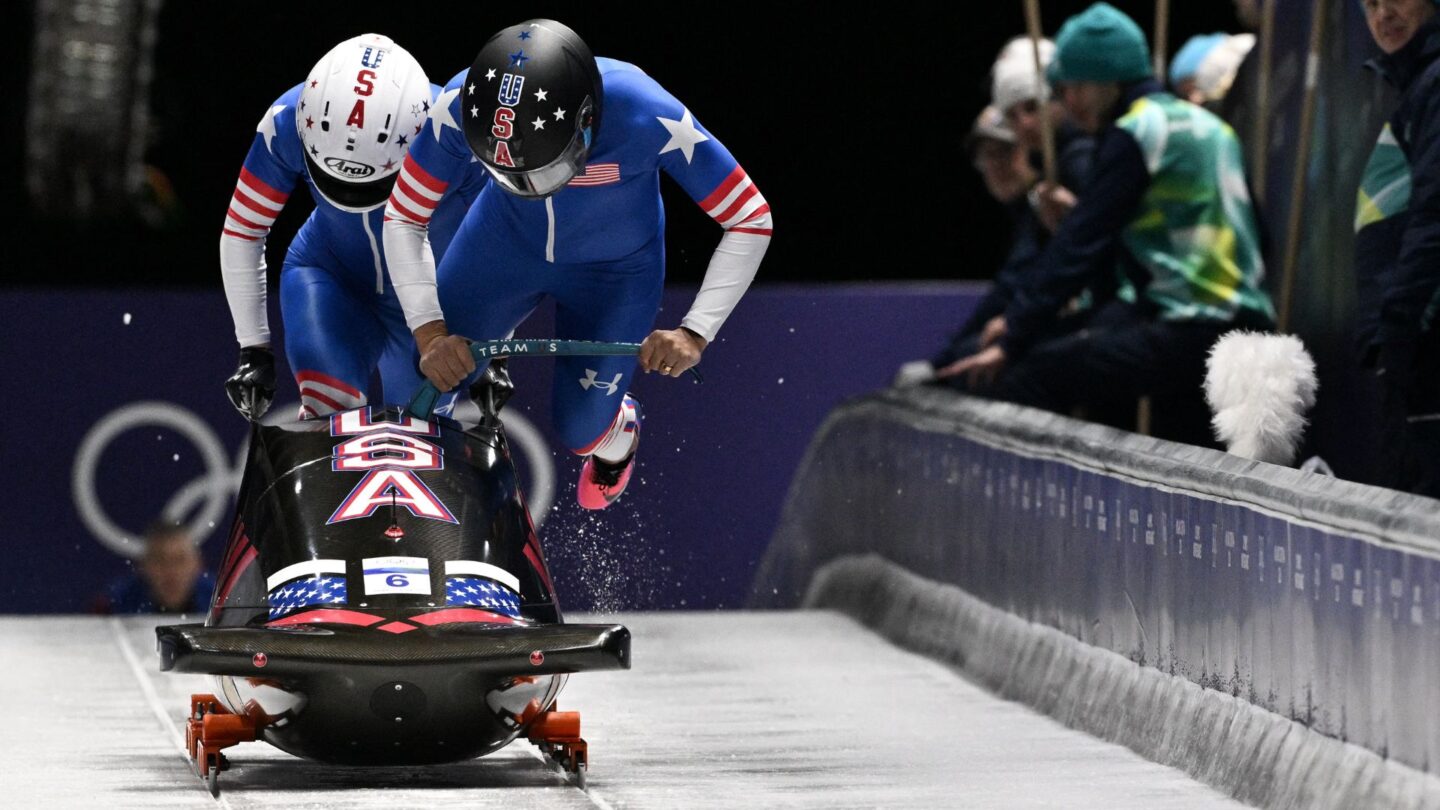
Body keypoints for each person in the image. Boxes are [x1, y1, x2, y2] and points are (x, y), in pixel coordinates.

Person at [382, 19, 772, 509]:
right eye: (512, 174)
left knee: (583, 429)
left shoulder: (647, 113)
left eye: (547, 168)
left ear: (588, 119)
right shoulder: (459, 106)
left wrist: (696, 331)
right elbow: (403, 216)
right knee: (415, 394)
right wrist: (428, 333)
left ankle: (615, 434)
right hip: (500, 248)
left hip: (614, 275)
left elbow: (750, 218)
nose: (533, 186)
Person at [939, 3, 1275, 446]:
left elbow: (1079, 245)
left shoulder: (1135, 133)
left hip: (1190, 329)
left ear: (1106, 78)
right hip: (1243, 325)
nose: (1069, 102)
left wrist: (1014, 333)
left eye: (1074, 86)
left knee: (1022, 374)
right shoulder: (1211, 127)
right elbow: (1258, 238)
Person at [220, 34, 488, 421]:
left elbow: (494, 242)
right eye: (334, 180)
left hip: (432, 307)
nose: (351, 191)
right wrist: (253, 348)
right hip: (330, 279)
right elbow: (244, 230)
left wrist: (495, 348)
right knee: (329, 417)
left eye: (374, 185)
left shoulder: (454, 131)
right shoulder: (285, 121)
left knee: (416, 440)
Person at [1353, 0, 1440, 495]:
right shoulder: (1420, 85)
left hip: (1424, 349)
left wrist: (1398, 328)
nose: (1382, 13)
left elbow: (1435, 214)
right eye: (1369, 3)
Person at [91, 521, 213, 614]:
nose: (171, 571)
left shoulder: (223, 603)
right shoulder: (111, 605)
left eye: (180, 560)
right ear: (143, 566)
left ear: (198, 565)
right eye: (160, 560)